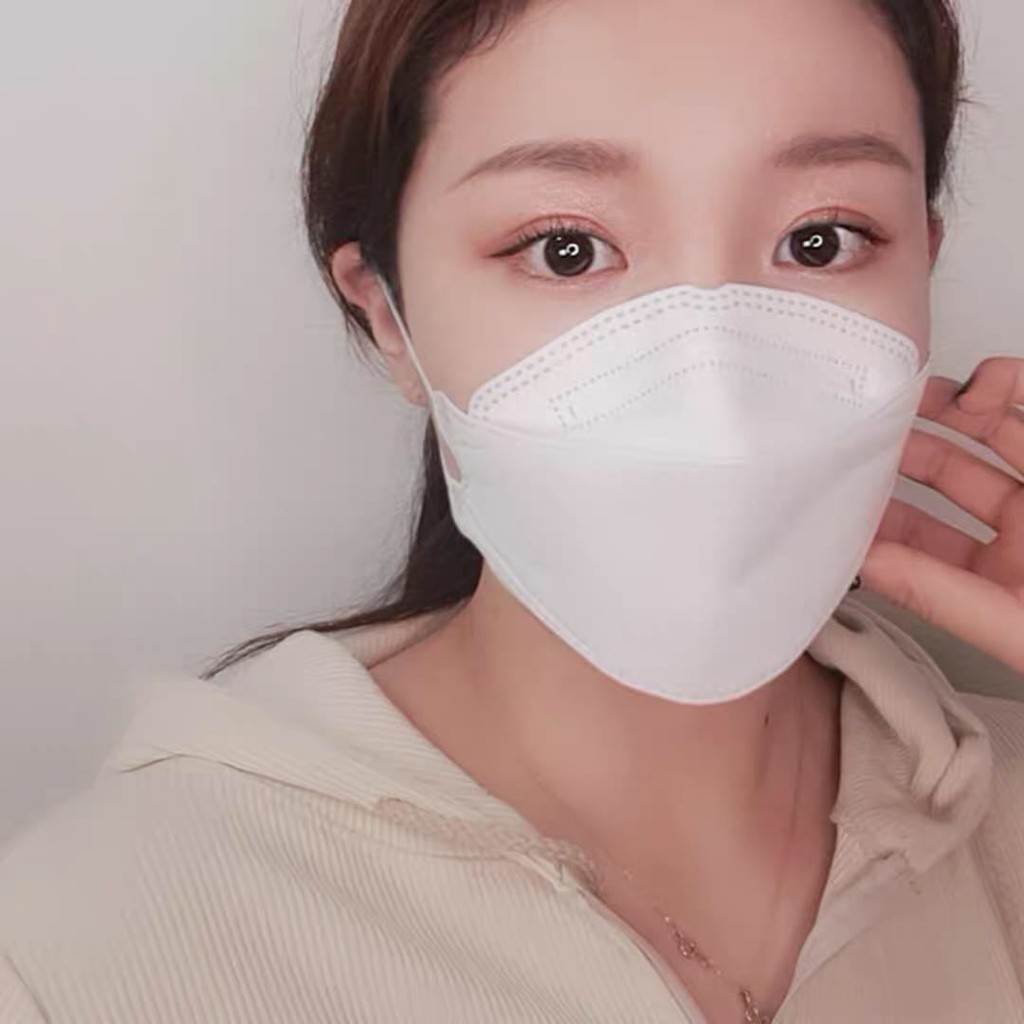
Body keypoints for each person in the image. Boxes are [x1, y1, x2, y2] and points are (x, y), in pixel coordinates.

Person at [2, 0, 1024, 1021]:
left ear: (923, 265)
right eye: (565, 249)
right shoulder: (67, 962)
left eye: (820, 240)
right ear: (387, 313)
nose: (714, 398)